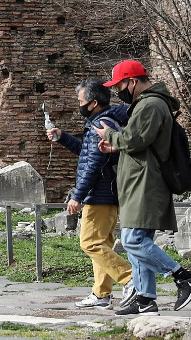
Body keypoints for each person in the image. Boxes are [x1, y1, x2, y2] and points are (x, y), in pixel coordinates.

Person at [95, 60, 191, 315]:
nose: (118, 90)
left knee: (132, 240)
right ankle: (145, 299)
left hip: (146, 182)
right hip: (138, 181)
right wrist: (116, 146)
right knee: (140, 240)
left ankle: (183, 276)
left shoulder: (151, 104)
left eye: (120, 85)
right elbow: (139, 143)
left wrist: (110, 135)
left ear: (132, 81)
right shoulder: (147, 104)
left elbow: (135, 139)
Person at [46, 78, 132, 309]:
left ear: (93, 103)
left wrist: (77, 196)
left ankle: (130, 279)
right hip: (108, 193)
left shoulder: (100, 125)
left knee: (90, 244)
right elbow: (87, 153)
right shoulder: (104, 122)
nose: (79, 105)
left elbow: (93, 164)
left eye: (81, 101)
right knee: (101, 244)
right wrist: (63, 137)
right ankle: (101, 294)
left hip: (100, 194)